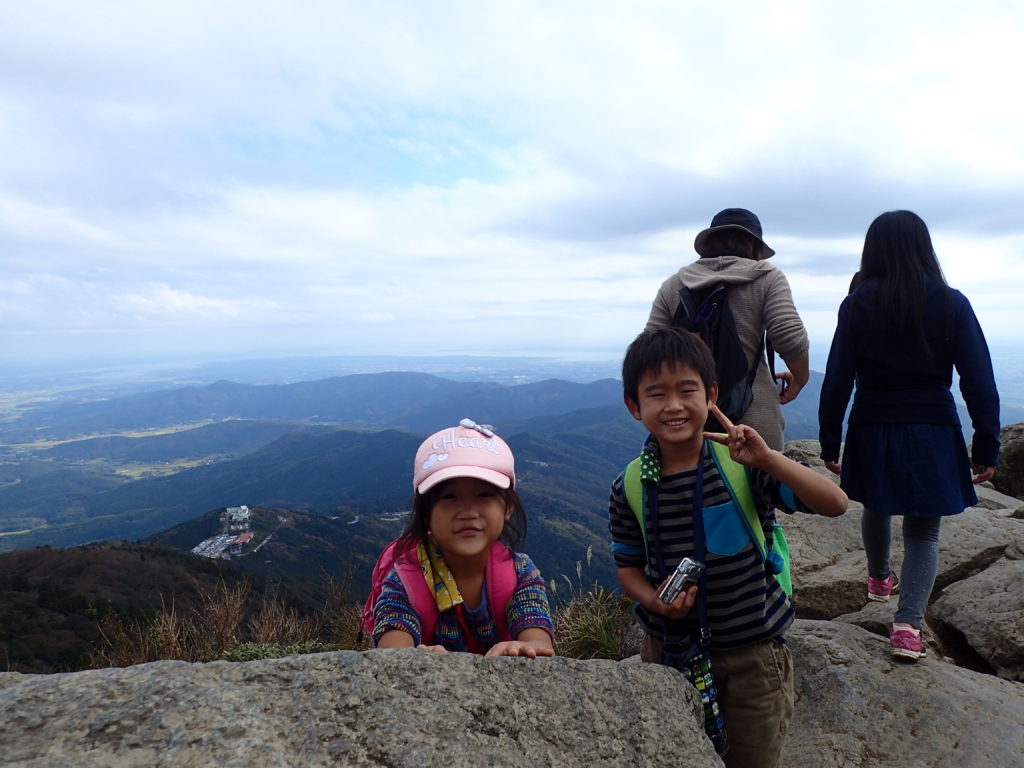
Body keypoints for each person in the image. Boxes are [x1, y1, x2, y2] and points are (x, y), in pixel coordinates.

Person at [609, 328, 847, 768]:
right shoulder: (630, 486)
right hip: (668, 653)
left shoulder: (740, 468)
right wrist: (656, 604)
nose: (674, 405)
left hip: (752, 658)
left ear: (711, 394)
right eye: (656, 394)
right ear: (634, 406)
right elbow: (627, 567)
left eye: (687, 390)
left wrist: (770, 459)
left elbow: (835, 503)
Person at [818, 210, 1000, 661]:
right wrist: (986, 446)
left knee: (876, 503)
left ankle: (879, 578)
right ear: (924, 248)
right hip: (932, 426)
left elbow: (837, 378)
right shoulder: (951, 302)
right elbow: (978, 379)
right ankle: (907, 626)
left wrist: (828, 441)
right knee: (924, 533)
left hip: (872, 421)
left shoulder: (856, 303)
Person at [373, 418, 555, 657]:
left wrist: (527, 648)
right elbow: (393, 639)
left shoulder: (520, 573)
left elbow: (536, 633)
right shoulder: (406, 578)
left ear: (507, 508)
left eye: (483, 495)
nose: (468, 512)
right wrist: (413, 659)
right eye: (449, 497)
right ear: (426, 513)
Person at [646, 208, 810, 450]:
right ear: (755, 247)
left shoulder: (674, 285)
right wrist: (800, 378)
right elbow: (789, 337)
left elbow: (648, 350)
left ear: (708, 245)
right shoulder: (767, 278)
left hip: (686, 418)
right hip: (753, 421)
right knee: (760, 486)